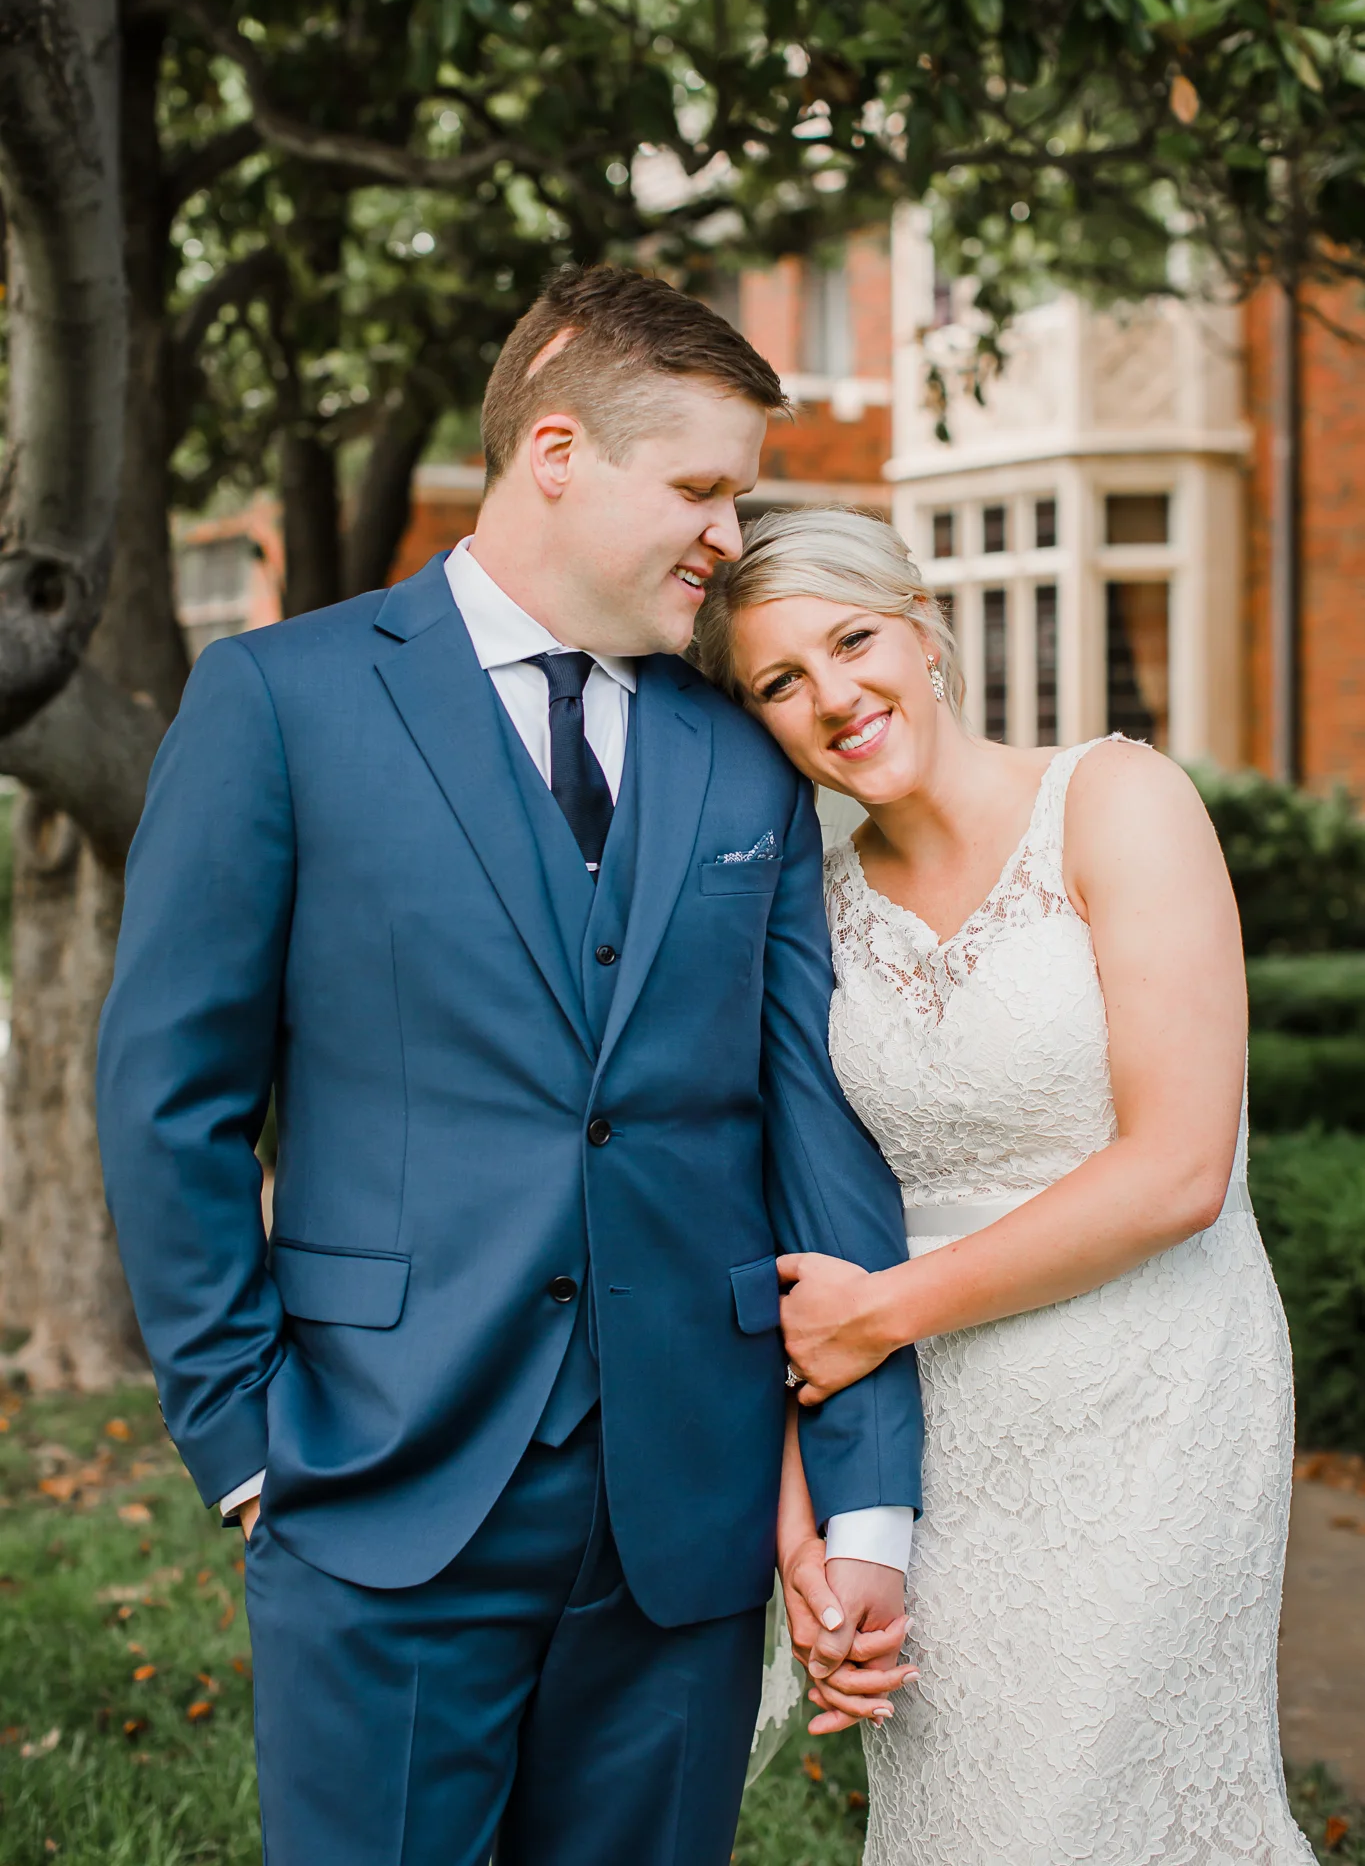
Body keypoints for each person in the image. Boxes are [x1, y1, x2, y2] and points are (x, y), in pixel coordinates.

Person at [95, 270, 924, 1866]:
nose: (728, 539)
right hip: (371, 1477)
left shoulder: (741, 745)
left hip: (685, 1506)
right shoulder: (278, 702)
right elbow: (171, 1093)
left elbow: (816, 1126)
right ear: (557, 452)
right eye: (699, 487)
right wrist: (244, 1448)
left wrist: (865, 1493)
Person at [694, 507, 1314, 1866]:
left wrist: (885, 1313)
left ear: (922, 626)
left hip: (1155, 1386)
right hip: (938, 1427)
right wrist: (807, 1520)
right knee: (965, 1811)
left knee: (1088, 1804)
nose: (835, 696)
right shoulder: (814, 904)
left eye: (853, 640)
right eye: (779, 683)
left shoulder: (1115, 799)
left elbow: (1178, 1170)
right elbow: (803, 1221)